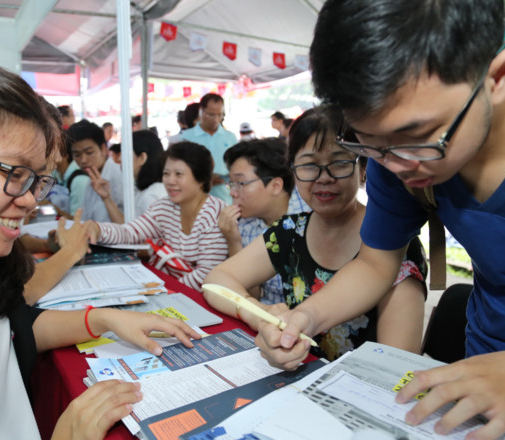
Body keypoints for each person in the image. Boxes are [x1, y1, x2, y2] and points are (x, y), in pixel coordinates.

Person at [257, 0, 505, 437]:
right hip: (480, 372)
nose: (394, 165)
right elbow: (376, 263)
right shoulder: (394, 154)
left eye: (417, 138)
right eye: (367, 141)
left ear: (497, 76)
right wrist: (306, 317)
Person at [0, 58, 200, 439]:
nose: (29, 200)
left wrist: (104, 320)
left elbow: (10, 326)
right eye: (14, 173)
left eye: (37, 181)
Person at [204, 107, 427, 361]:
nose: (324, 178)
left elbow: (397, 365)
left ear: (364, 169)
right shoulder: (289, 232)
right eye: (309, 165)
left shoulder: (393, 245)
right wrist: (260, 314)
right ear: (293, 171)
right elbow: (216, 281)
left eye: (340, 163)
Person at [85, 141, 228, 291]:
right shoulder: (165, 207)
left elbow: (205, 275)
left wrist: (166, 292)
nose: (170, 181)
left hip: (196, 297)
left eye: (179, 174)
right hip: (173, 290)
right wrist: (97, 229)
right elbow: (129, 232)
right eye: (166, 174)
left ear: (200, 179)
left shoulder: (214, 214)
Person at [217, 137, 309, 304]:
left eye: (241, 183)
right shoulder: (244, 223)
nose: (232, 193)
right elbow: (252, 297)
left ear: (275, 186)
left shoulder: (309, 220)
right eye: (231, 183)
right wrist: (233, 242)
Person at [181, 93, 237, 204]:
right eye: (211, 115)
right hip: (195, 202)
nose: (215, 119)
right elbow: (181, 169)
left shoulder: (230, 137)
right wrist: (207, 180)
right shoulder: (186, 137)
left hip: (224, 200)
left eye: (219, 115)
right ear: (201, 111)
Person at [67, 119, 124, 223]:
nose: (83, 160)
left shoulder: (119, 178)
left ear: (103, 149)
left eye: (89, 152)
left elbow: (130, 227)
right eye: (77, 155)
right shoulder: (90, 179)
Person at [132, 129, 167, 218]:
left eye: (125, 153)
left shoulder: (150, 196)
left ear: (142, 158)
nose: (120, 159)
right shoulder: (154, 190)